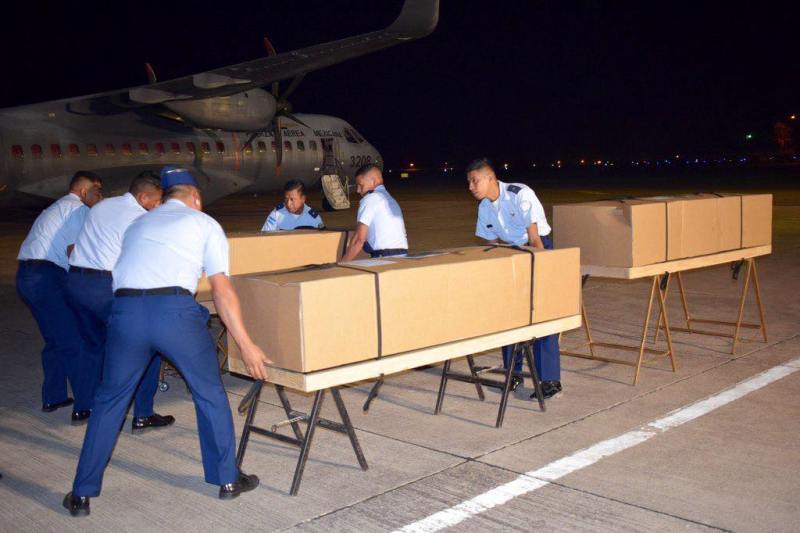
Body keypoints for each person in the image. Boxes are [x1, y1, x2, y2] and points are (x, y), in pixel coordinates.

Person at [63, 166, 271, 517]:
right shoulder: (204, 223)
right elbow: (222, 291)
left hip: (126, 311)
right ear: (196, 198)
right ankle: (227, 479)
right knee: (208, 393)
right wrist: (246, 343)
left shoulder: (139, 223)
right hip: (174, 312)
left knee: (110, 400)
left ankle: (81, 494)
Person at [66, 171, 174, 428]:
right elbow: (143, 262)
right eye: (157, 201)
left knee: (91, 347)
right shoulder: (139, 219)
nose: (158, 206)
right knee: (147, 345)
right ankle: (143, 413)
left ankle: (83, 407)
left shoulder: (103, 205)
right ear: (143, 197)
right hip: (105, 288)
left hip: (76, 282)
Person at [466, 157, 562, 399]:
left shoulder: (520, 194)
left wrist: (540, 273)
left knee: (541, 316)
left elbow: (535, 240)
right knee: (509, 318)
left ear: (490, 178)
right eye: (469, 182)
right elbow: (492, 246)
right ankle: (513, 374)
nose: (471, 187)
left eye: (474, 181)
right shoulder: (484, 207)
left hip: (536, 249)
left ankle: (550, 380)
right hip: (510, 254)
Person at [16, 171, 103, 413]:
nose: (100, 196)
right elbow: (74, 252)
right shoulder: (78, 209)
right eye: (98, 191)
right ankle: (86, 406)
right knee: (75, 342)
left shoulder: (56, 207)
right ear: (84, 191)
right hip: (48, 277)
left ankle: (53, 397)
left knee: (56, 339)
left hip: (27, 275)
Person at [342, 164, 408, 261]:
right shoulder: (390, 199)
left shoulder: (370, 199)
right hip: (402, 255)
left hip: (384, 257)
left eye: (361, 185)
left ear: (373, 182)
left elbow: (359, 240)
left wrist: (341, 265)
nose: (358, 190)